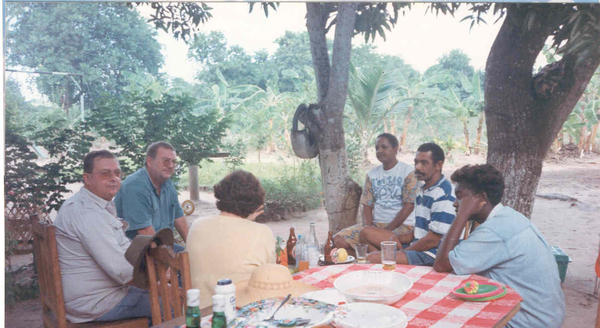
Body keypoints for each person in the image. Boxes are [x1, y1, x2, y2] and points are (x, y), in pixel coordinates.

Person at [433, 164, 566, 328]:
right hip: (547, 315)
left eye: (460, 197)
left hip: (527, 321)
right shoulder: (509, 216)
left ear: (481, 198)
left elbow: (441, 264)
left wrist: (462, 214)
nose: (455, 204)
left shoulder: (494, 230)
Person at [53, 150, 152, 323]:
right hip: (94, 301)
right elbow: (122, 272)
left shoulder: (98, 204)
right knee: (173, 301)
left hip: (97, 293)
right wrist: (157, 274)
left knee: (167, 291)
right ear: (87, 178)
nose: (114, 178)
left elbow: (123, 249)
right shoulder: (86, 212)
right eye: (105, 174)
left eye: (117, 173)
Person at [186, 170, 277, 307]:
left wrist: (246, 218)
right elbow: (271, 279)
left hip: (198, 315)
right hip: (239, 315)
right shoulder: (262, 233)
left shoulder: (197, 225)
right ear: (256, 203)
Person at [365, 142, 456, 266]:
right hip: (418, 245)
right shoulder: (423, 191)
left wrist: (403, 251)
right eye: (416, 162)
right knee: (366, 233)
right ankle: (388, 264)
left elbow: (433, 240)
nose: (418, 167)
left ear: (438, 165)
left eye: (424, 163)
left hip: (432, 254)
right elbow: (418, 231)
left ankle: (385, 262)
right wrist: (395, 239)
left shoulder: (444, 194)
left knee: (371, 258)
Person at [333, 133, 418, 255]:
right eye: (377, 148)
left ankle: (373, 257)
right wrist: (369, 227)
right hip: (376, 224)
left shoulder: (408, 172)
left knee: (370, 238)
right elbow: (367, 204)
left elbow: (409, 206)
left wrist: (386, 230)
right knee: (337, 240)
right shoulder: (372, 174)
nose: (379, 151)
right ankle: (369, 257)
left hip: (402, 226)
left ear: (395, 149)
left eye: (384, 147)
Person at [115, 141, 188, 252]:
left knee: (197, 260)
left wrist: (194, 248)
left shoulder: (167, 183)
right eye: (166, 161)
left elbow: (179, 218)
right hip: (134, 251)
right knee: (185, 266)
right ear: (149, 161)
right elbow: (146, 234)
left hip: (160, 245)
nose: (171, 166)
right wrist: (168, 263)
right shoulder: (136, 186)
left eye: (174, 162)